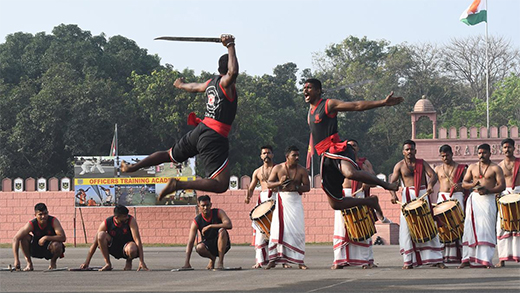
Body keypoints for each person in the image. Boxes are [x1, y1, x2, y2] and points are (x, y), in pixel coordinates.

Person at [120, 34, 238, 200]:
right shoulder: (227, 84)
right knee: (221, 184)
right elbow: (233, 72)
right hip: (214, 136)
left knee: (169, 154)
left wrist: (181, 85)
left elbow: (195, 87)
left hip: (200, 131)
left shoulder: (212, 83)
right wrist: (231, 46)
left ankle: (133, 167)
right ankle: (179, 184)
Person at [303, 78, 402, 218]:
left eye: (309, 88)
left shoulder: (328, 104)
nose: (305, 90)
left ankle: (385, 184)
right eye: (304, 88)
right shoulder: (310, 112)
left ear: (318, 91)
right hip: (324, 156)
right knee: (336, 204)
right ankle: (369, 201)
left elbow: (356, 105)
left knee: (350, 173)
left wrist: (383, 103)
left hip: (336, 149)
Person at [389, 140, 445, 269]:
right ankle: (408, 261)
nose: (409, 151)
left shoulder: (422, 163)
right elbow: (392, 183)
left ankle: (437, 259)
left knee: (429, 225)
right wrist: (393, 195)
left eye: (411, 149)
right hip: (407, 198)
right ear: (403, 152)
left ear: (415, 151)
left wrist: (430, 185)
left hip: (423, 196)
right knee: (407, 228)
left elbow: (433, 175)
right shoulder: (399, 166)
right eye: (407, 149)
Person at [332, 140, 378, 269]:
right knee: (342, 228)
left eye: (354, 146)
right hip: (343, 196)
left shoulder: (364, 163)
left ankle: (365, 260)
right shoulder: (340, 162)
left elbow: (374, 180)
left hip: (359, 196)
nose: (352, 148)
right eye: (349, 146)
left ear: (358, 148)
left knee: (362, 226)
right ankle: (339, 260)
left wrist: (367, 182)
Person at [459, 143, 505, 268]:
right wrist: (473, 185)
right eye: (479, 153)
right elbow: (464, 183)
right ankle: (467, 258)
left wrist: (488, 191)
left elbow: (502, 186)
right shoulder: (472, 167)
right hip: (474, 200)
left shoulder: (495, 168)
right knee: (470, 229)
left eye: (484, 153)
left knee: (487, 229)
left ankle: (485, 259)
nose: (481, 155)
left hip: (488, 200)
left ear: (490, 153)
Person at [265, 146, 311, 269]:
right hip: (282, 200)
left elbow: (307, 187)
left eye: (298, 155)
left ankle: (299, 260)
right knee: (277, 230)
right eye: (294, 155)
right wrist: (280, 183)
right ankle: (273, 259)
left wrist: (295, 187)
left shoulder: (302, 170)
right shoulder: (278, 168)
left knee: (297, 229)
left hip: (295, 201)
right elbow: (269, 184)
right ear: (287, 157)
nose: (297, 158)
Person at [80, 205, 148, 271]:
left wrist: (141, 261)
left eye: (127, 215)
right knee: (100, 235)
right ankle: (108, 264)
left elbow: (137, 240)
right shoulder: (107, 222)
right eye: (124, 216)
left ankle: (129, 261)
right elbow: (95, 243)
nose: (127, 217)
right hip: (114, 247)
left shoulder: (131, 220)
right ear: (116, 217)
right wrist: (87, 262)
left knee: (132, 249)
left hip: (127, 246)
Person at [433, 144, 467, 264]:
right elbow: (431, 181)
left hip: (456, 198)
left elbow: (468, 183)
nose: (445, 158)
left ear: (452, 154)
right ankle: (442, 256)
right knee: (442, 227)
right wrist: (428, 188)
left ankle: (460, 256)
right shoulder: (437, 169)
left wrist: (461, 185)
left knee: (458, 224)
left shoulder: (461, 168)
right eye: (443, 156)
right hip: (442, 197)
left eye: (447, 155)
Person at [245, 145, 276, 268]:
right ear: (261, 156)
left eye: (268, 153)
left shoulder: (278, 169)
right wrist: (248, 197)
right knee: (260, 230)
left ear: (272, 155)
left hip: (275, 199)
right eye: (264, 153)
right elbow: (252, 187)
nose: (266, 155)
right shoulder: (257, 172)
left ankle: (283, 261)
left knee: (279, 231)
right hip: (263, 200)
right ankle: (260, 260)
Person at [182, 195, 232, 270]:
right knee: (199, 247)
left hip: (223, 243)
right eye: (203, 206)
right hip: (209, 245)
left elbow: (229, 224)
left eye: (207, 205)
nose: (205, 208)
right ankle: (212, 258)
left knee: (222, 231)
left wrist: (211, 226)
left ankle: (220, 263)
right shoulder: (197, 220)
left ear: (211, 205)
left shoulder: (218, 212)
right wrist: (187, 263)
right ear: (199, 206)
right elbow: (190, 241)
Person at [12, 203, 66, 271]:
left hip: (50, 248)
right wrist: (16, 260)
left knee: (57, 245)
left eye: (45, 213)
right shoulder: (32, 224)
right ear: (35, 215)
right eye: (40, 214)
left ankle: (53, 263)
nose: (43, 216)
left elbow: (63, 237)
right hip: (36, 248)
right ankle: (29, 264)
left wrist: (46, 237)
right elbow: (16, 238)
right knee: (24, 237)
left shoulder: (53, 221)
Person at [496, 138, 520, 267]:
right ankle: (502, 258)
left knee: (519, 228)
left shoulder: (519, 163)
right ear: (502, 149)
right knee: (502, 227)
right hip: (505, 196)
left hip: (518, 195)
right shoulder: (499, 166)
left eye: (509, 147)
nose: (507, 150)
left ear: (514, 148)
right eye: (505, 147)